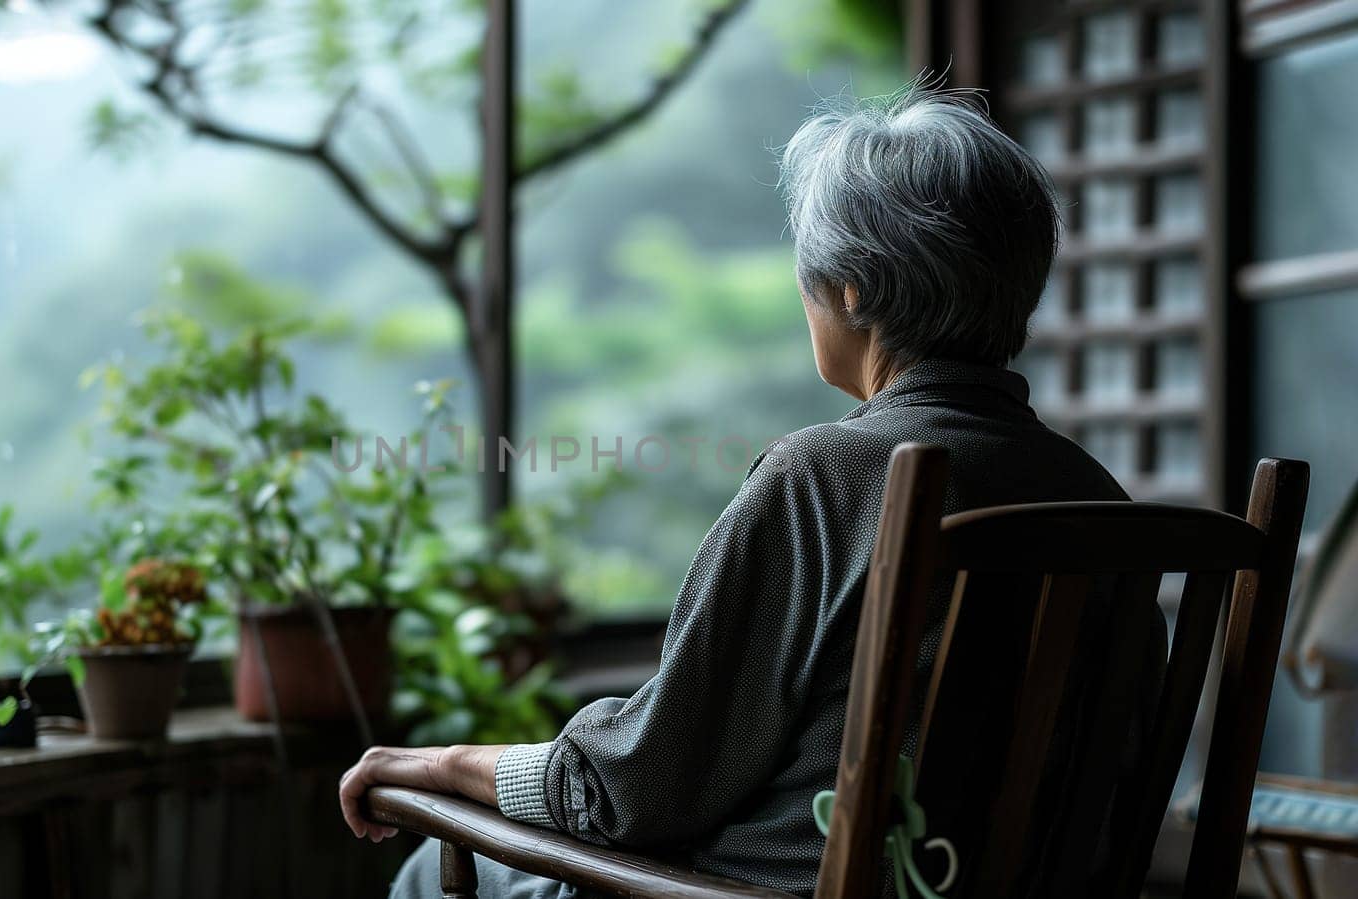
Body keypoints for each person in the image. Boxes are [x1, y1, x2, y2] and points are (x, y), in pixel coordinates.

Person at [340, 86, 1156, 898]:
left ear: (850, 291)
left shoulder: (826, 477)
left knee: (432, 868)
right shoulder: (1102, 503)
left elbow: (637, 789)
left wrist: (444, 765)